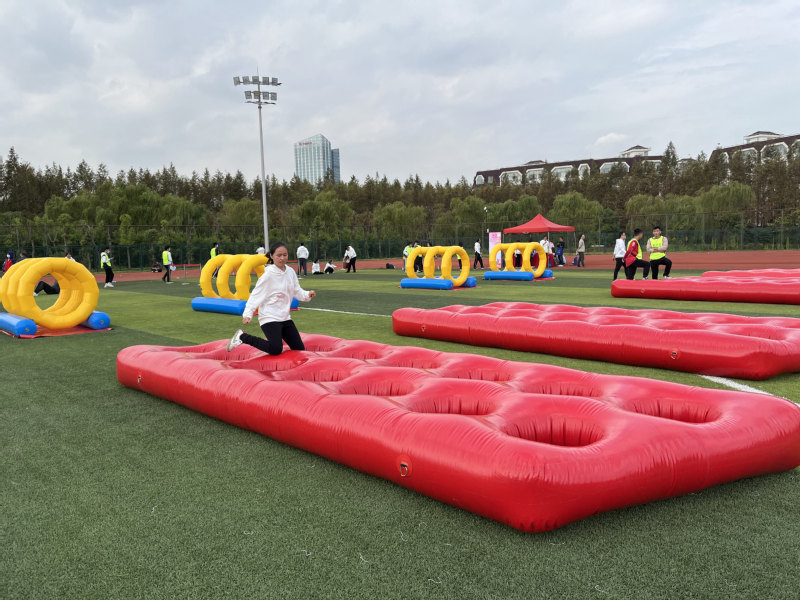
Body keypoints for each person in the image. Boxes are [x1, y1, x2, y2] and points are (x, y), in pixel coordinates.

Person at [226, 241, 315, 356]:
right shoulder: (268, 275)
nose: (282, 258)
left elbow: (296, 290)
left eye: (285, 255)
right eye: (279, 255)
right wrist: (248, 313)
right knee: (275, 349)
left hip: (285, 317)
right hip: (269, 317)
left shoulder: (290, 272)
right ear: (272, 256)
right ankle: (242, 337)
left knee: (299, 349)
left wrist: (307, 294)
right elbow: (256, 295)